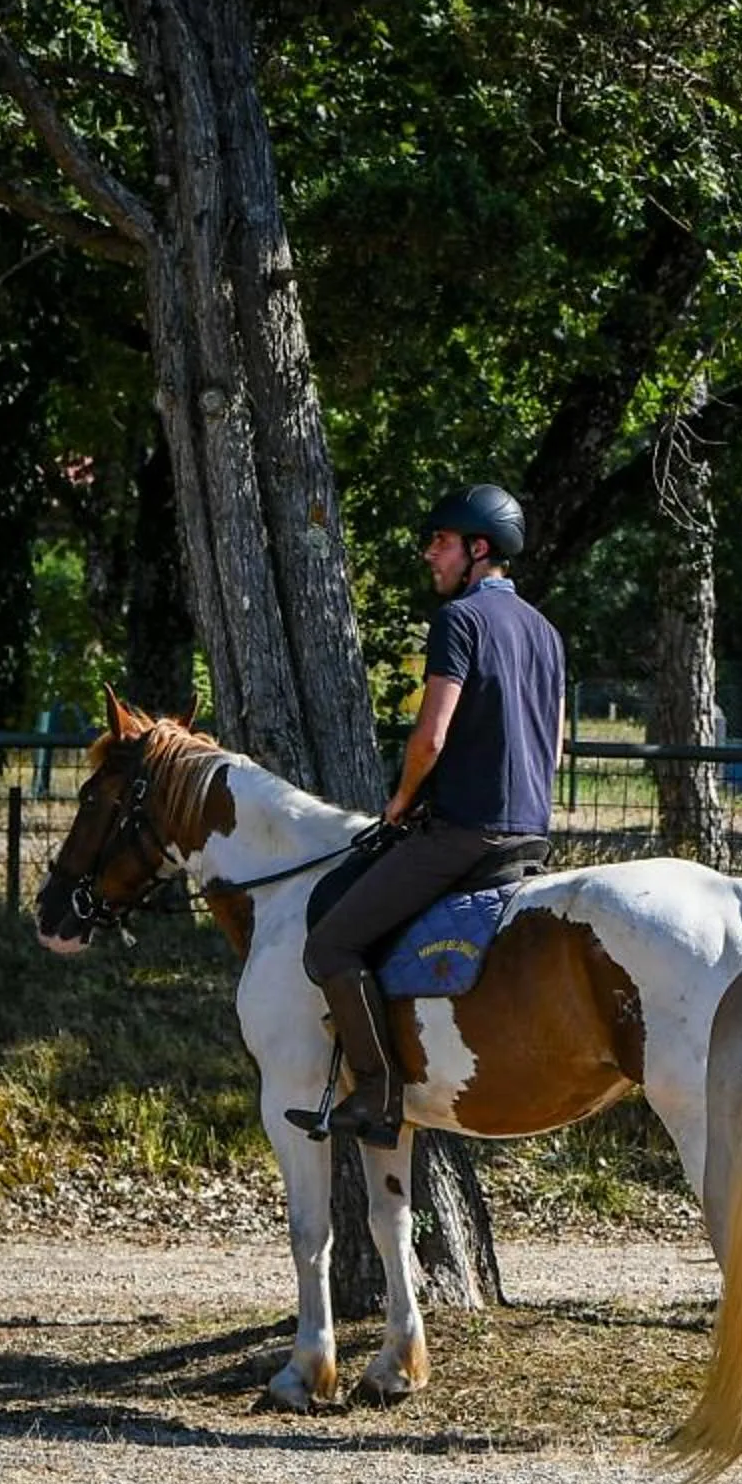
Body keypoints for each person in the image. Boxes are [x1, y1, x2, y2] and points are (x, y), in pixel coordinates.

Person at [296, 482, 565, 1148]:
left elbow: (430, 737)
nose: (429, 554)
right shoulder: (546, 632)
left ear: (479, 549)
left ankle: (378, 1094)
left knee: (330, 944)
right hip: (531, 834)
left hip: (463, 834)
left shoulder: (460, 620)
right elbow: (555, 746)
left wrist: (400, 801)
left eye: (441, 542)